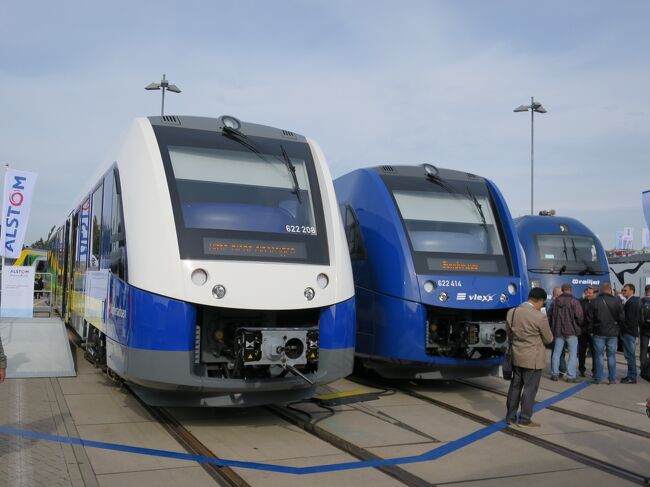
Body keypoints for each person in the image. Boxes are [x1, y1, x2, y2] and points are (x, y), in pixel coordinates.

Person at [505, 287, 554, 428]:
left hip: (516, 355)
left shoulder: (512, 312)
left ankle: (510, 417)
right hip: (533, 358)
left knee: (515, 387)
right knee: (529, 389)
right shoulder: (540, 316)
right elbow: (549, 338)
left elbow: (509, 333)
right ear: (540, 301)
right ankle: (525, 419)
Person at [587, 282, 625, 384]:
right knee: (611, 356)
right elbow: (622, 318)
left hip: (598, 332)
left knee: (599, 356)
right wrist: (617, 328)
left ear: (601, 290)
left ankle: (598, 378)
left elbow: (589, 318)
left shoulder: (595, 301)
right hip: (612, 333)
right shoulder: (617, 301)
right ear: (610, 289)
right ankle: (612, 379)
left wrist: (591, 331)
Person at [549, 283, 584, 382]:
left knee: (556, 353)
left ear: (563, 290)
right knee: (572, 354)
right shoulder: (574, 301)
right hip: (571, 331)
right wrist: (578, 325)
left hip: (558, 331)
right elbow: (580, 317)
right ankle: (571, 376)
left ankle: (554, 374)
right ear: (571, 290)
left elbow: (550, 316)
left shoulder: (555, 302)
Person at [621, 283, 640, 384]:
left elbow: (629, 320)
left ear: (631, 291)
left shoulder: (631, 302)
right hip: (631, 332)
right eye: (623, 290)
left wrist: (623, 330)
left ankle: (632, 376)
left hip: (628, 332)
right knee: (629, 355)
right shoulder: (633, 301)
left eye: (625, 290)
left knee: (630, 355)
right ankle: (630, 375)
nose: (623, 292)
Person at [578, 286, 596, 377]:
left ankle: (594, 370)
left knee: (594, 352)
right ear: (585, 293)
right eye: (588, 292)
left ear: (593, 294)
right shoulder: (580, 302)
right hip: (582, 331)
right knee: (581, 351)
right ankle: (581, 369)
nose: (589, 294)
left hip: (593, 331)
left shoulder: (596, 303)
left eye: (591, 293)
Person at [638, 284, 650, 369]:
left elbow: (637, 316)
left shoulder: (641, 301)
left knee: (643, 349)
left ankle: (643, 367)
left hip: (644, 330)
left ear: (645, 291)